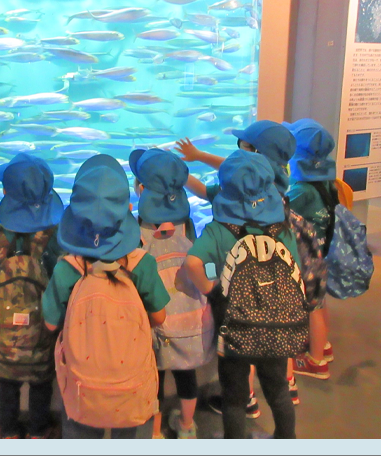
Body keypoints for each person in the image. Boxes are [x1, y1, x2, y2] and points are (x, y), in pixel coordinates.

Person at [176, 121, 305, 409]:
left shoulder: (236, 194)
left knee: (243, 344)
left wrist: (183, 170)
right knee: (274, 343)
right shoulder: (273, 183)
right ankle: (288, 384)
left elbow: (215, 184)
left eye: (242, 146)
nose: (237, 152)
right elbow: (236, 167)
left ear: (257, 153)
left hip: (239, 285)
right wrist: (198, 156)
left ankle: (244, 398)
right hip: (275, 285)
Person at [42, 155, 170, 440]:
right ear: (126, 211)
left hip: (83, 385)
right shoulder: (142, 265)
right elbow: (160, 317)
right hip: (132, 382)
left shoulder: (66, 269)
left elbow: (50, 324)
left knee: (80, 432)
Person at [0, 153, 65, 439]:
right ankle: (38, 430)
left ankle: (9, 430)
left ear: (5, 193)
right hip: (42, 329)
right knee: (41, 382)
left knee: (7, 384)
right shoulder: (55, 237)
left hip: (5, 338)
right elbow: (61, 277)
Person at [130, 148, 214, 439]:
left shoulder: (137, 228)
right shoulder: (187, 225)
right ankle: (187, 426)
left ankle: (154, 433)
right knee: (186, 375)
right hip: (190, 319)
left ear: (142, 189)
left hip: (155, 318)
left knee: (154, 378)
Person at [284, 119, 339, 380]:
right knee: (319, 300)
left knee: (312, 306)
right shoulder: (326, 183)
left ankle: (316, 362)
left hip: (306, 256)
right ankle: (322, 345)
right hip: (321, 252)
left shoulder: (301, 190)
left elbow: (280, 211)